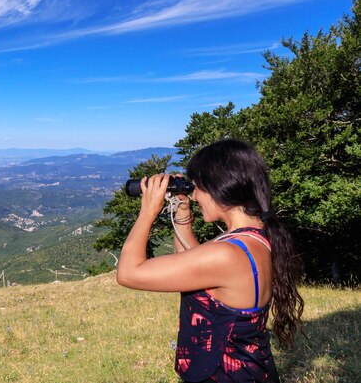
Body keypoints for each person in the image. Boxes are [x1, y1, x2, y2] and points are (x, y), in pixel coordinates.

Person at [117, 138, 303, 383]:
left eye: (197, 188)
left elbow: (129, 273)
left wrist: (147, 211)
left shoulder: (227, 254)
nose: (193, 196)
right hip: (252, 372)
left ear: (220, 187)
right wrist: (182, 213)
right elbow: (196, 266)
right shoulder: (253, 238)